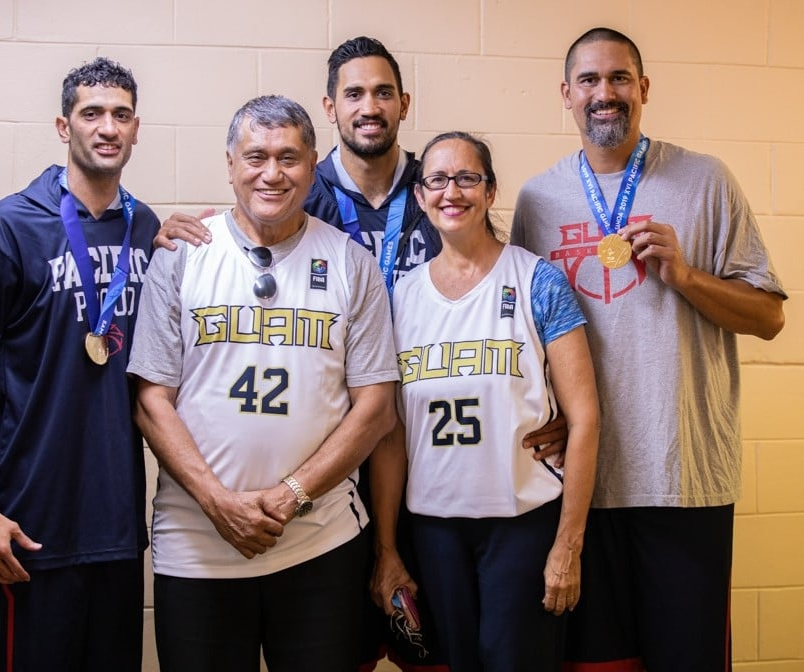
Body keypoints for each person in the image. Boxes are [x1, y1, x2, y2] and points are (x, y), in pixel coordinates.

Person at [154, 36, 566, 671]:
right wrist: (188, 238)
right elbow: (155, 388)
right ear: (330, 109)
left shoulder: (441, 189)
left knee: (452, 649)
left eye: (382, 92)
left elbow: (514, 305)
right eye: (353, 93)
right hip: (340, 470)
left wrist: (547, 406)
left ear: (404, 103)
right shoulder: (288, 197)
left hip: (429, 471)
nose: (273, 172)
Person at [511, 27, 787, 672]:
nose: (603, 94)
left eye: (618, 79)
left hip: (682, 476)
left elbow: (770, 318)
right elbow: (522, 333)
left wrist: (685, 276)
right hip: (581, 484)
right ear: (565, 95)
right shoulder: (537, 199)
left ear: (643, 89)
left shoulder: (704, 181)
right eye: (588, 81)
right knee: (599, 664)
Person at [127, 95, 399, 672]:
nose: (271, 173)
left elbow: (375, 408)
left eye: (288, 158)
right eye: (255, 157)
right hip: (197, 545)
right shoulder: (181, 255)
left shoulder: (351, 262)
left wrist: (292, 495)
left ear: (312, 162)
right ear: (229, 164)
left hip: (320, 544)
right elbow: (152, 401)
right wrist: (218, 502)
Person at [0, 58, 158, 671]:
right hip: (28, 525)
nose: (107, 127)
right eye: (92, 114)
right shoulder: (7, 228)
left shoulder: (145, 228)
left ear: (136, 129)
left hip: (116, 523)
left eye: (120, 115)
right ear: (64, 126)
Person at [371, 131, 600, 672]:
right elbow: (392, 432)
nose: (452, 191)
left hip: (521, 522)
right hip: (434, 527)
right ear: (421, 197)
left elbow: (586, 418)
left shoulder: (536, 280)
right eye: (437, 180)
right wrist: (386, 547)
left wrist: (569, 546)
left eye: (467, 178)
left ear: (491, 190)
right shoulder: (401, 295)